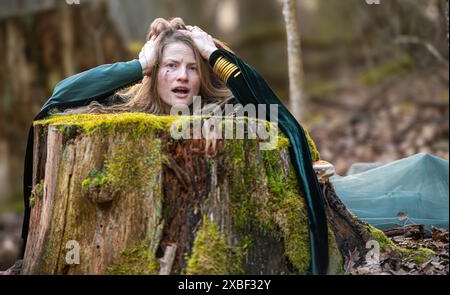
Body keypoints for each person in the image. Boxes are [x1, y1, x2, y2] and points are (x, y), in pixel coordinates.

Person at [20, 17, 329, 274]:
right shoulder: (126, 110)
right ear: (153, 73)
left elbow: (272, 108)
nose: (182, 76)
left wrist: (214, 54)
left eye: (193, 68)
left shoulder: (225, 113)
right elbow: (60, 96)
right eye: (171, 66)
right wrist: (139, 64)